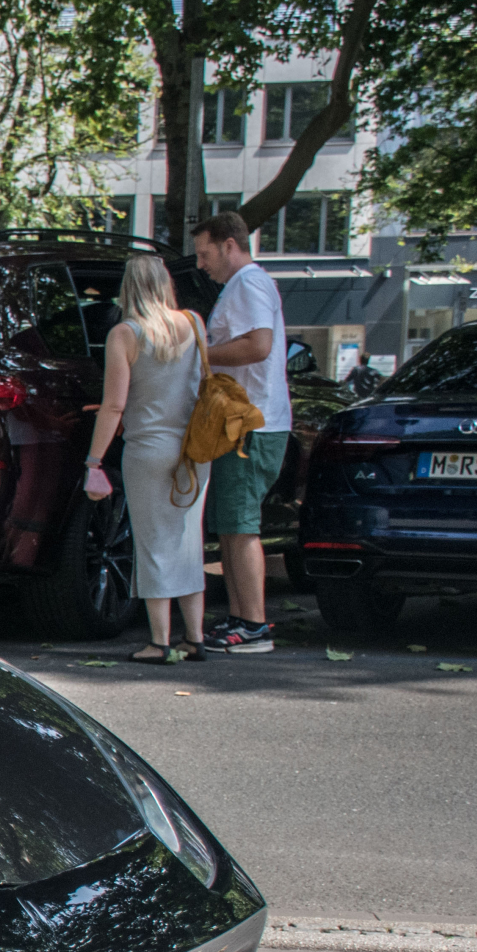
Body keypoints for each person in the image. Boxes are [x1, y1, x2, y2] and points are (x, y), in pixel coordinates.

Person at [84, 255, 209, 662]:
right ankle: (196, 637)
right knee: (189, 541)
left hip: (149, 449)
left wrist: (94, 462)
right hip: (194, 450)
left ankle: (160, 641)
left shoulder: (125, 334)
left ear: (128, 287)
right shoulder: (193, 323)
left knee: (152, 542)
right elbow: (201, 385)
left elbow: (115, 406)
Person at [192, 212, 289, 652]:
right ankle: (240, 618)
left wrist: (201, 357)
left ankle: (254, 624)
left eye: (205, 253)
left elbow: (258, 345)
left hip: (251, 422)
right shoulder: (246, 284)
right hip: (245, 421)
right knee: (231, 523)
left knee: (241, 524)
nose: (200, 264)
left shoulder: (248, 283)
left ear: (230, 244)